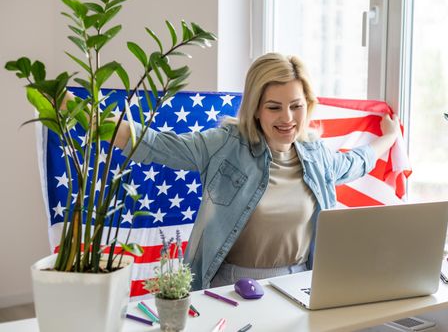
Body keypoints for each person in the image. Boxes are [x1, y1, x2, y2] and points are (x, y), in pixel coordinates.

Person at [113, 52, 400, 290]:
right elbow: (155, 144)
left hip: (301, 283)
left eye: (296, 106)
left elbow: (357, 162)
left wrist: (389, 137)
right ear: (256, 110)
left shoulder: (318, 156)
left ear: (308, 106)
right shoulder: (223, 144)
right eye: (274, 107)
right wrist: (89, 116)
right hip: (230, 287)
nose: (287, 118)